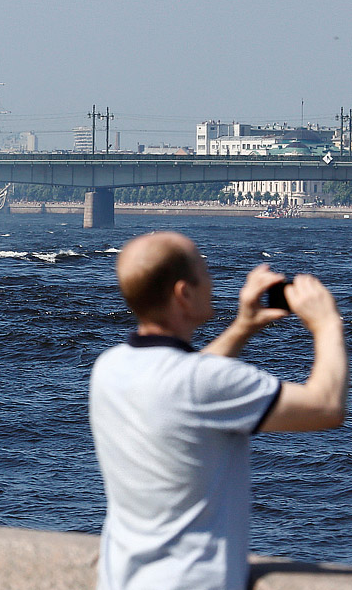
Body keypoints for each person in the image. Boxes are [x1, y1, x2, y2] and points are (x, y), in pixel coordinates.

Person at [90, 231, 347, 590]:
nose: (212, 281)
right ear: (184, 293)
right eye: (205, 272)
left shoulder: (109, 367)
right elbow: (326, 406)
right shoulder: (202, 382)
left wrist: (243, 327)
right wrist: (327, 323)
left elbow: (182, 382)